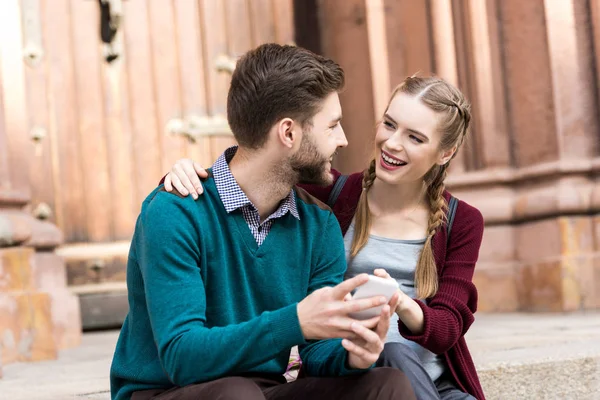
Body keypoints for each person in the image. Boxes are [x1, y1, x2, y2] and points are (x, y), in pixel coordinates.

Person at [110, 43, 417, 400]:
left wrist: (353, 353)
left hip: (260, 392)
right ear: (288, 133)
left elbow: (317, 351)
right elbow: (182, 357)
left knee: (386, 384)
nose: (343, 140)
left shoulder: (318, 225)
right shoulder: (175, 212)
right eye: (332, 126)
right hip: (166, 392)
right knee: (237, 395)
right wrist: (295, 321)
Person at [163, 75, 486, 400]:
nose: (392, 143)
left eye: (415, 138)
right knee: (393, 357)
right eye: (389, 124)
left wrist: (398, 301)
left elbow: (447, 328)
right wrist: (186, 175)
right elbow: (253, 179)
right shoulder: (332, 193)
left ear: (445, 153)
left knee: (405, 360)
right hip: (357, 372)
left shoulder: (462, 221)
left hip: (435, 382)